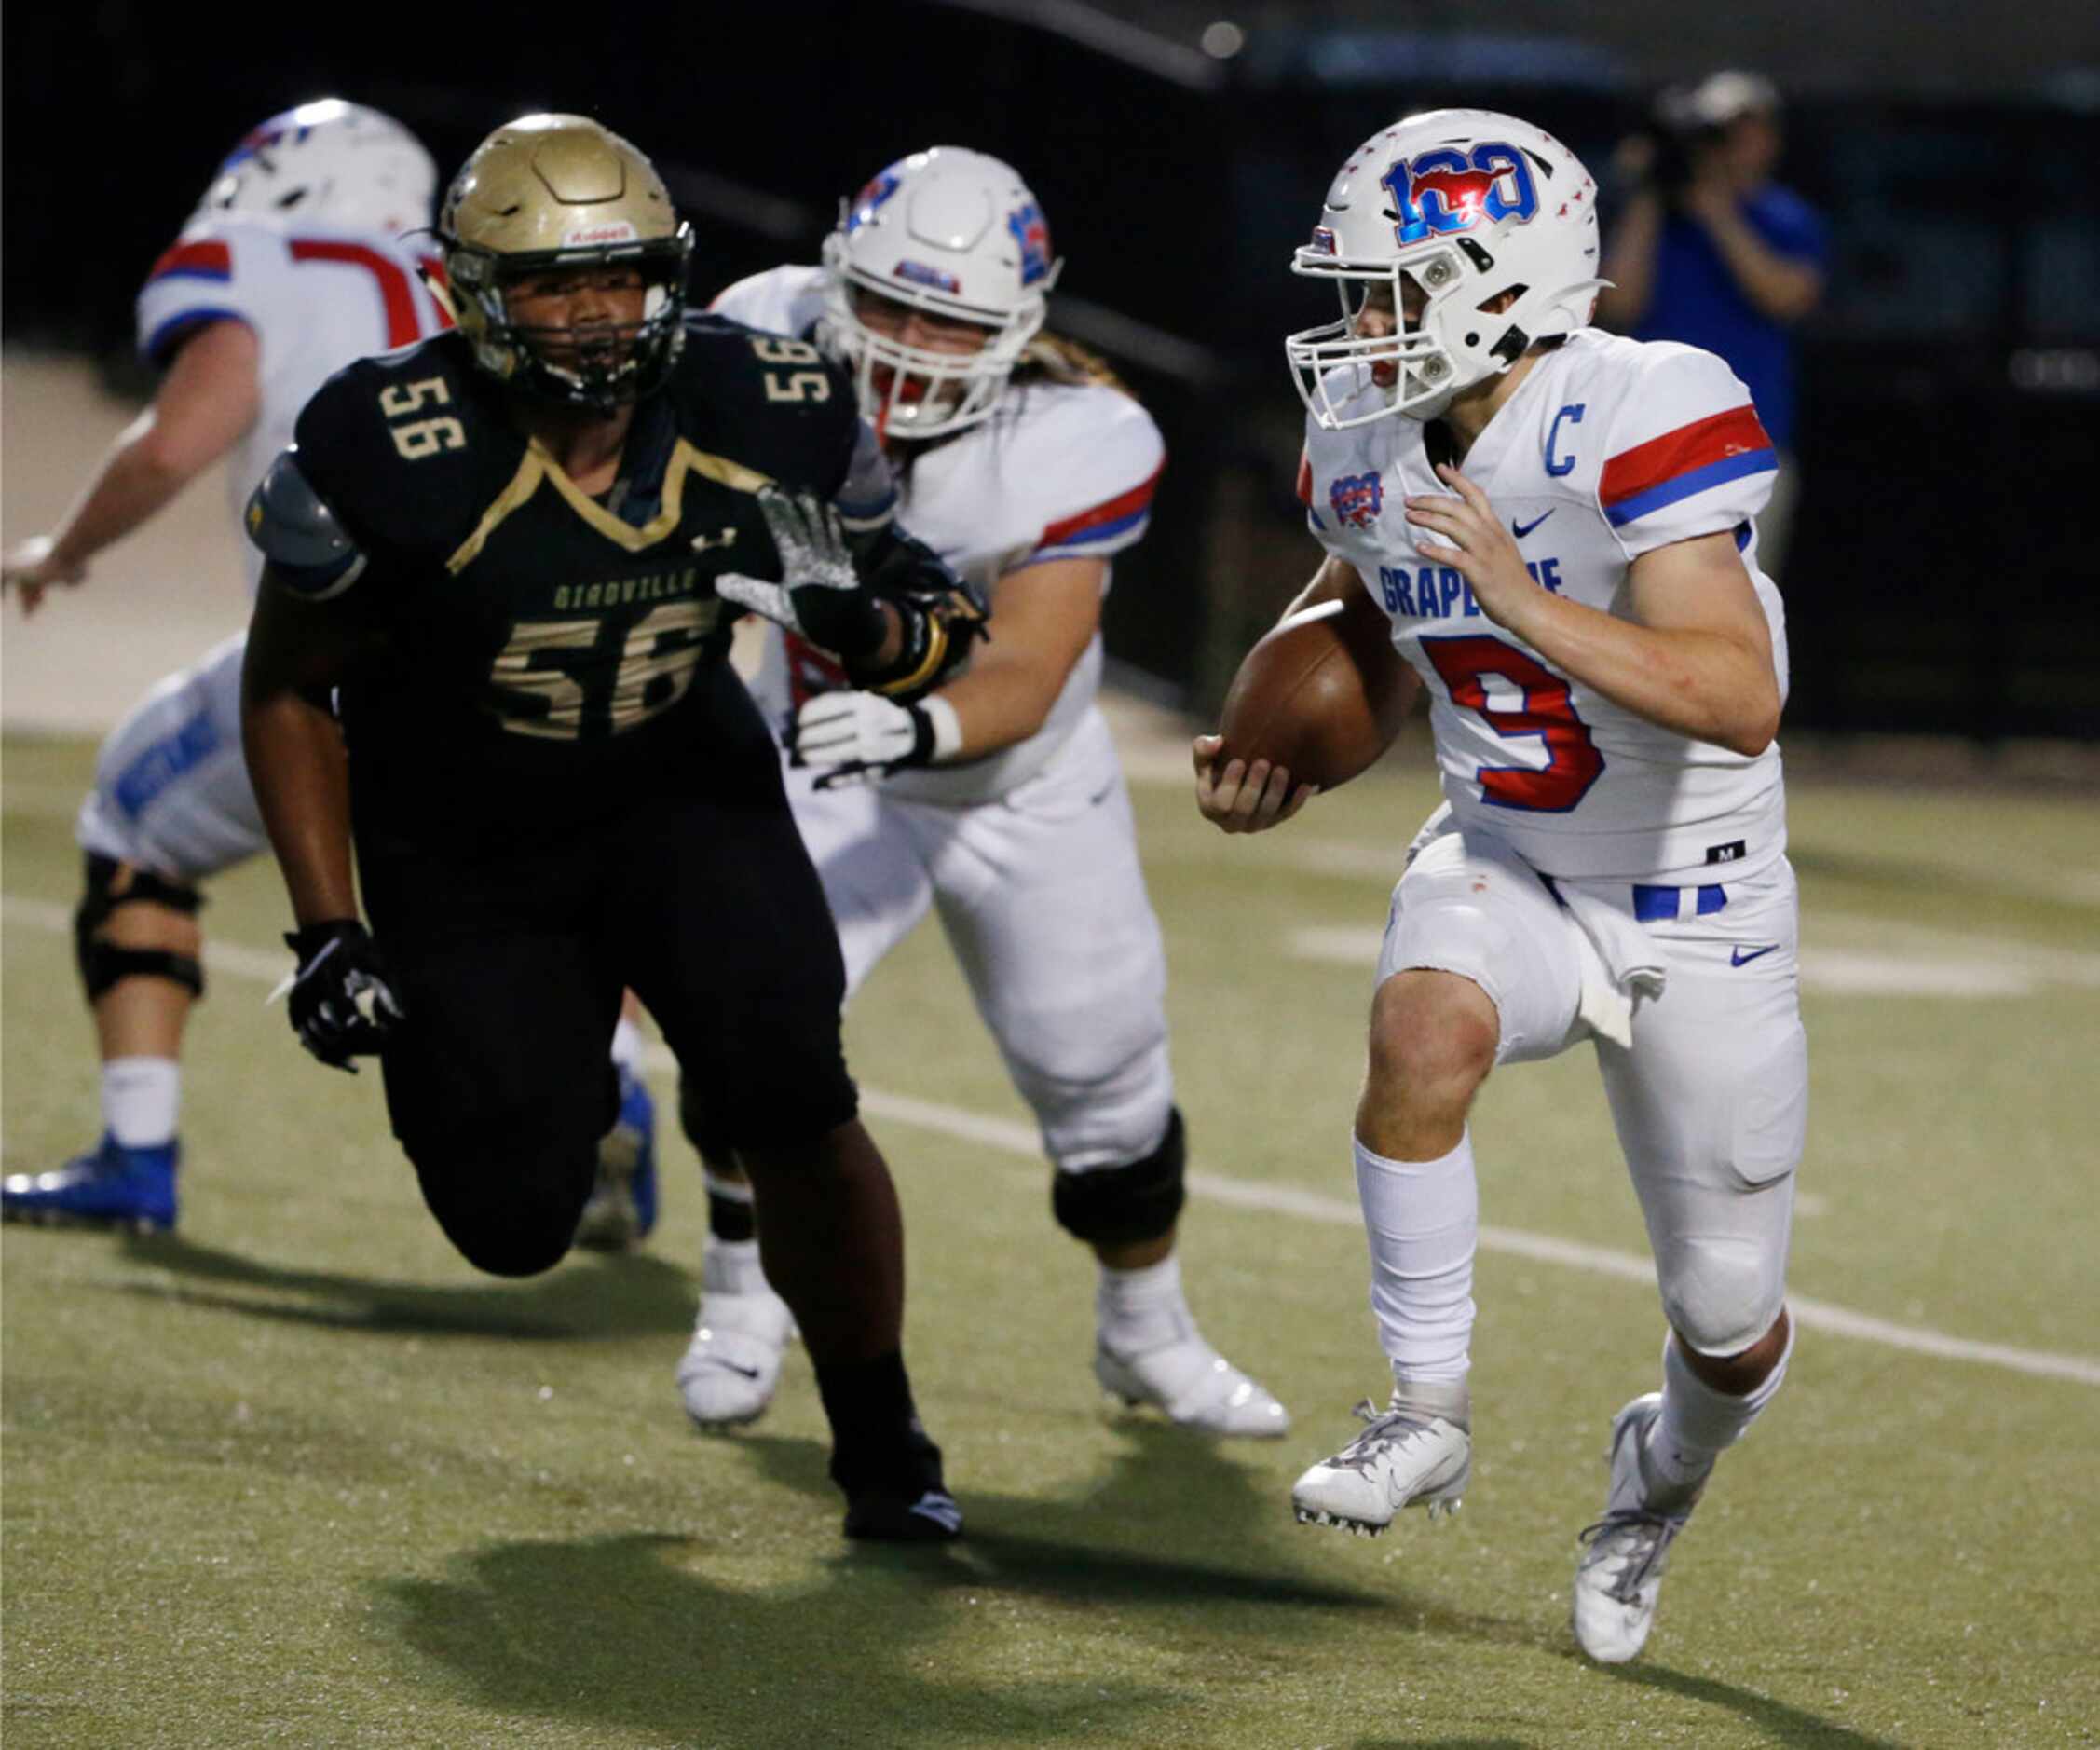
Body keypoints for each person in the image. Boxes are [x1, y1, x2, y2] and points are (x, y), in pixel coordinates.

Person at [238, 113, 984, 1539]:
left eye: (620, 278)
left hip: (676, 789)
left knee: (792, 1092)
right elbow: (288, 689)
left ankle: (883, 1440)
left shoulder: (768, 400)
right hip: (460, 834)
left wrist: (859, 622)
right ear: (471, 289)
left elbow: (934, 624)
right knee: (513, 1222)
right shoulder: (382, 437)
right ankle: (576, 1096)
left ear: (670, 275)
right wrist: (330, 930)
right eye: (549, 285)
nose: (591, 316)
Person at [1197, 109, 1806, 1663]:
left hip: (1692, 894)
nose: (1357, 327)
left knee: (1730, 1333)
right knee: (1419, 1032)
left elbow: (1732, 691)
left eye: (1387, 293)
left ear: (1493, 285)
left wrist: (1520, 600)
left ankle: (1650, 1480)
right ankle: (1423, 1409)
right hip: (1504, 851)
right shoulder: (1361, 441)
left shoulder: (1643, 402)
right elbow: (1381, 615)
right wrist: (1288, 741)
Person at [678, 146, 1288, 1441]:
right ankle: (737, 1292)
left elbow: (1026, 665)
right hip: (824, 748)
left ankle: (1146, 1329)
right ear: (835, 279)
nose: (905, 345)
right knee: (744, 1021)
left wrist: (916, 723)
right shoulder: (754, 332)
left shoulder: (1076, 435)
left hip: (1014, 777)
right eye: (887, 304)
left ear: (1015, 326)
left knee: (1105, 1083)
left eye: (946, 319)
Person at [0, 101, 516, 1232]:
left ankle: (136, 1159)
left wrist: (62, 553)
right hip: (525, 661)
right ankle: (617, 1102)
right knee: (562, 882)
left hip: (345, 669)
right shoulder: (475, 277)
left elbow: (179, 438)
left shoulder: (259, 255)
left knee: (131, 825)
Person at [1595, 71, 1825, 578]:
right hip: (1644, 440)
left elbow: (1785, 296)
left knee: (1740, 602)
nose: (1731, 147)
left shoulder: (1784, 218)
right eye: (1717, 135)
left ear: (1771, 139)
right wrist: (1649, 192)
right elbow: (1617, 304)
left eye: (1745, 131)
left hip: (1745, 445)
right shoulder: (1655, 218)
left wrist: (1715, 208)